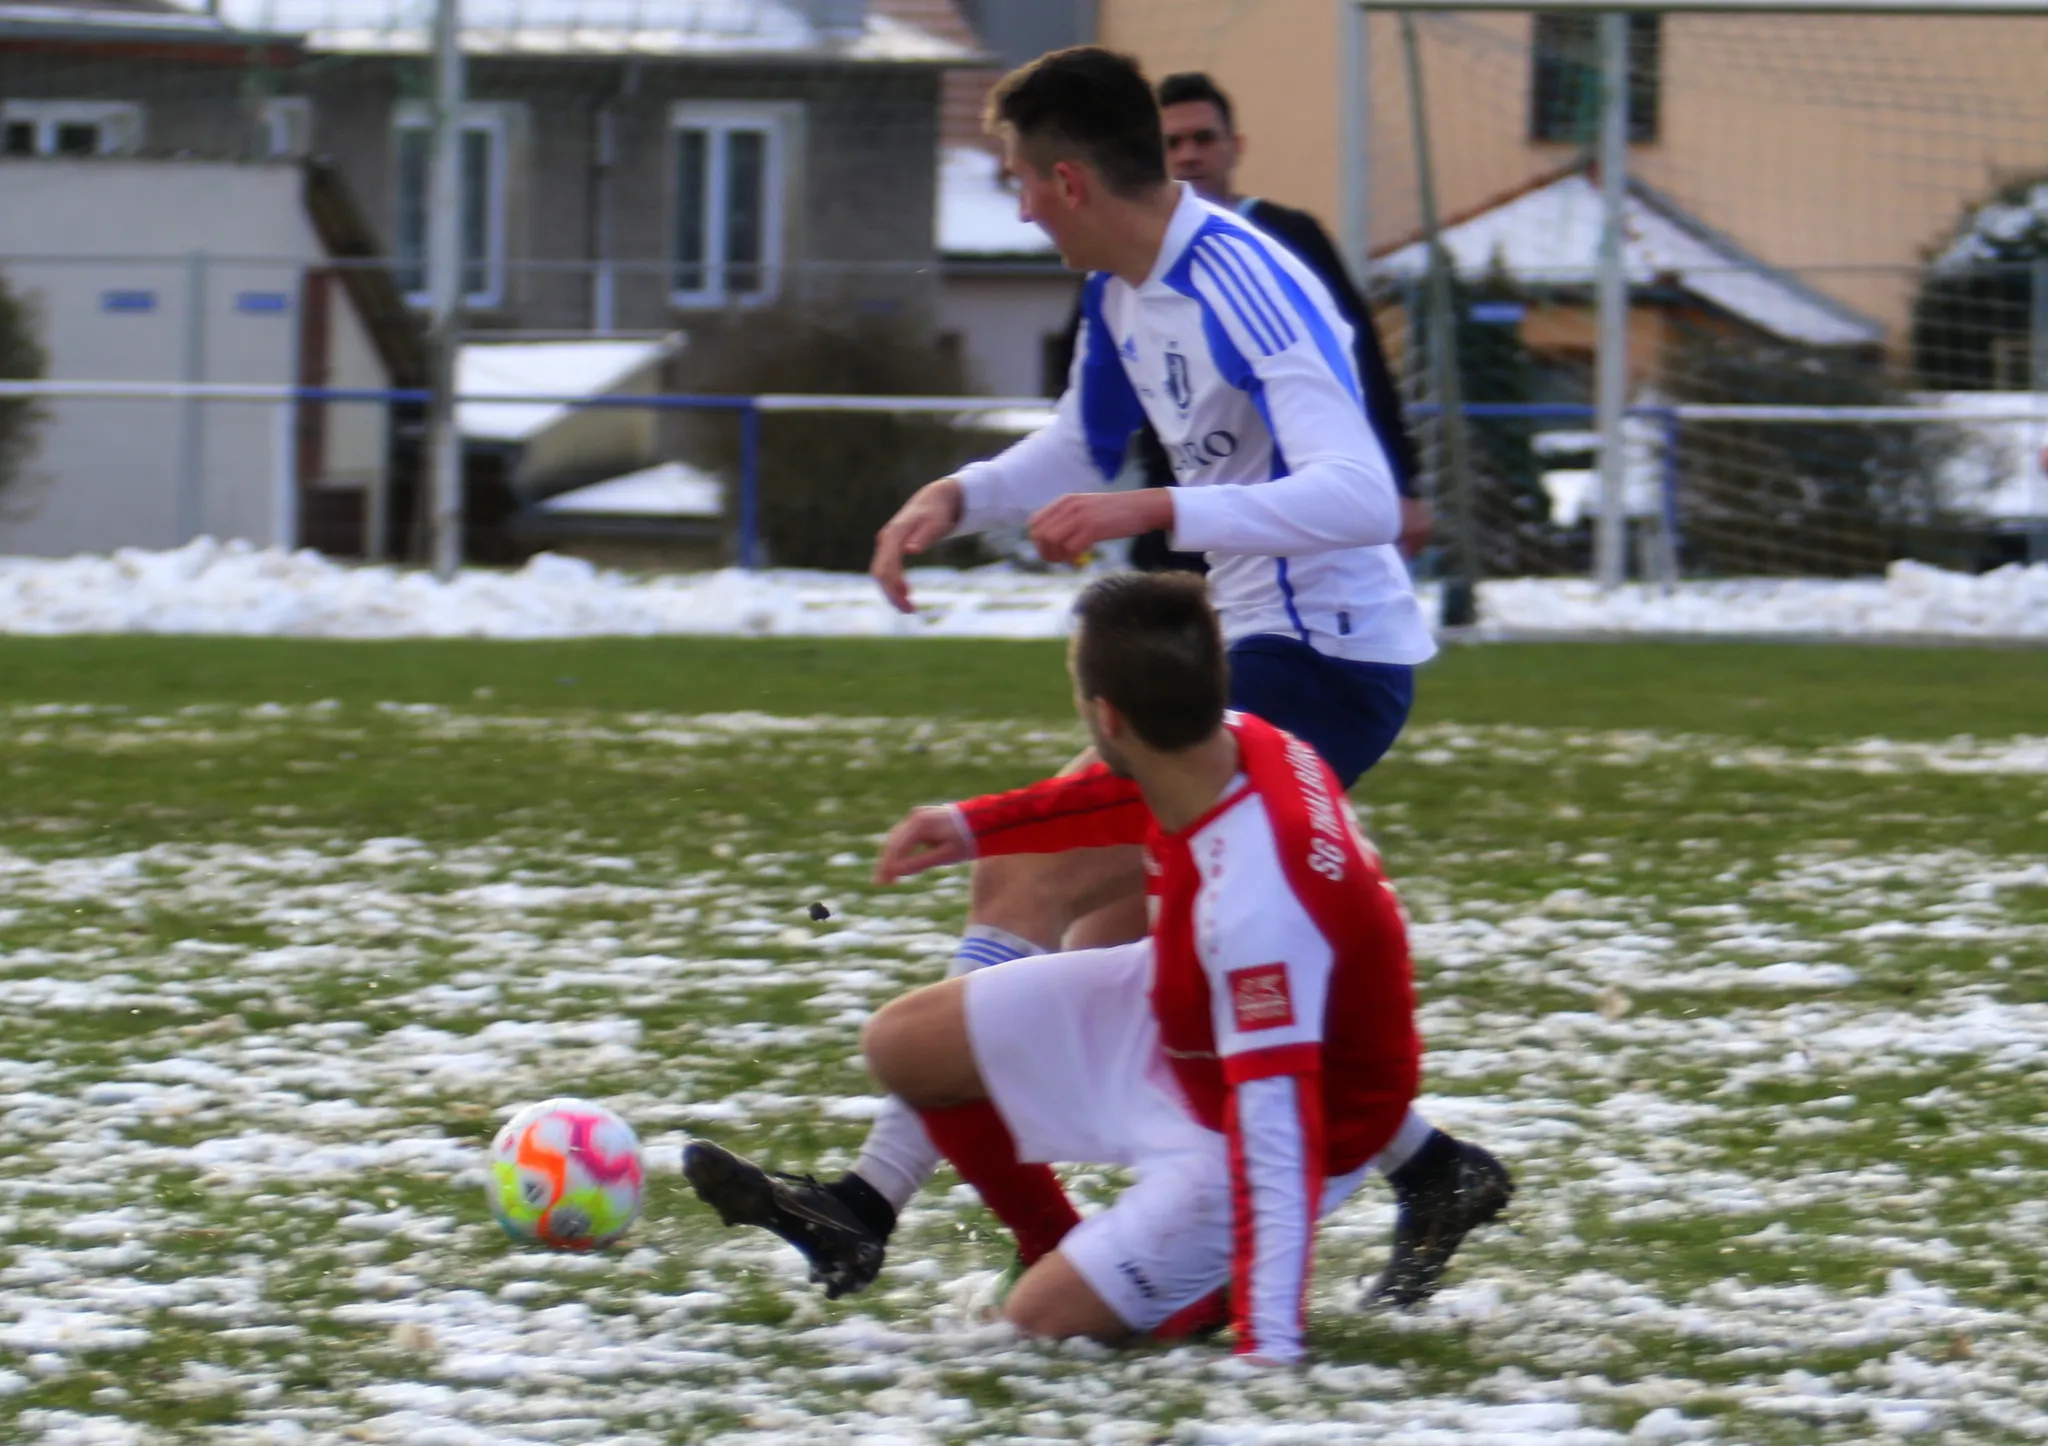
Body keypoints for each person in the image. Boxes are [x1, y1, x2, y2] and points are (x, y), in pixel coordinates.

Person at [686, 44, 1483, 1312]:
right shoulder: (1123, 290)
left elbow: (1359, 496)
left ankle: (870, 1210)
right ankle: (1429, 1165)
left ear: (1067, 179)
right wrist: (959, 495)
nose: (1013, 208)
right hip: (1250, 643)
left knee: (1025, 873)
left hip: (1326, 661)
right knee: (1123, 947)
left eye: (1015, 179)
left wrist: (1157, 508)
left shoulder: (1244, 279)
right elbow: (1079, 444)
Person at [873, 574, 1506, 1361]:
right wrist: (972, 826)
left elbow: (1277, 1132)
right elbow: (1117, 794)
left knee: (1035, 1325)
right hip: (1183, 1010)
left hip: (1288, 1121)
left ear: (1107, 716)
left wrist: (1270, 1350)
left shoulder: (1255, 901)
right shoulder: (1238, 738)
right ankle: (1059, 1247)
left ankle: (1192, 1291)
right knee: (903, 1044)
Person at [1074, 70, 1432, 573]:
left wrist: (1401, 482)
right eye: (1171, 143)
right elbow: (1088, 386)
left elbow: (1361, 361)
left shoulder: (1288, 237)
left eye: (1203, 138)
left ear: (1235, 147)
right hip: (1181, 507)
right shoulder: (1121, 262)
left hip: (1294, 505)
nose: (1189, 155)